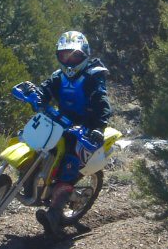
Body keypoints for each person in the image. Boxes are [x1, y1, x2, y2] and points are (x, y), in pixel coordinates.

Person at [34, 30, 112, 238]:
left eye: (74, 56)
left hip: (85, 126)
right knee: (37, 140)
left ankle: (55, 213)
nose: (69, 60)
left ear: (84, 55)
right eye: (64, 55)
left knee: (70, 161)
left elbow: (101, 102)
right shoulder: (58, 77)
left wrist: (99, 128)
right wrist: (38, 96)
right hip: (61, 120)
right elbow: (46, 89)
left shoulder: (93, 76)